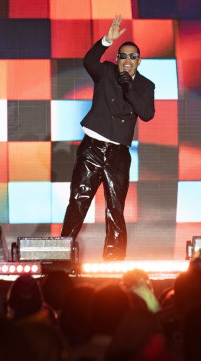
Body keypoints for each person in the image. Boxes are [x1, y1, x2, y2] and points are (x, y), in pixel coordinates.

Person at [60, 15, 155, 260]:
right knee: (79, 201)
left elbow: (146, 114)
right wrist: (106, 41)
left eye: (132, 57)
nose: (127, 60)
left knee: (115, 208)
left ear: (139, 62)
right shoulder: (105, 72)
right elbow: (88, 60)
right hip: (92, 148)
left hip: (118, 154)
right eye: (122, 55)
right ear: (117, 59)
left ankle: (113, 262)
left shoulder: (145, 85)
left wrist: (129, 87)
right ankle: (61, 255)